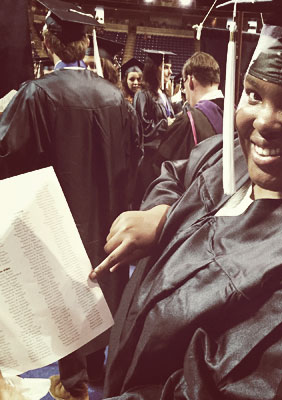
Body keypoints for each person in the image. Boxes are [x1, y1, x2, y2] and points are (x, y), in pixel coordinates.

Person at [89, 1, 282, 399]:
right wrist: (160, 212)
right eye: (253, 94)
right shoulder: (233, 156)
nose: (263, 121)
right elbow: (177, 172)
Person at [0, 0, 142, 399]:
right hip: (108, 221)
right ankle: (98, 370)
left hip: (59, 223)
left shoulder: (34, 95)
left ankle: (74, 384)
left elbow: (10, 156)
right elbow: (134, 160)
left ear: (48, 42)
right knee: (101, 286)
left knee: (64, 297)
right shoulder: (116, 99)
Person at [144, 51, 224, 187]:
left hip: (194, 201)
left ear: (191, 81)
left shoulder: (188, 121)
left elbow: (161, 171)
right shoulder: (237, 114)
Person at [133, 49, 176, 204]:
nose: (170, 71)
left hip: (162, 155)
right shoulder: (143, 94)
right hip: (149, 159)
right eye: (165, 67)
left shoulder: (163, 94)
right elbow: (142, 127)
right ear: (154, 69)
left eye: (170, 68)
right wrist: (166, 124)